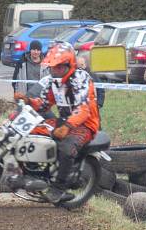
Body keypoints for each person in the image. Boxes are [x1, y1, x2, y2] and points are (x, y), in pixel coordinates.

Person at [14, 42, 100, 203]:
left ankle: (59, 188)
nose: (55, 70)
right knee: (29, 133)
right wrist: (28, 101)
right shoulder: (55, 82)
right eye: (53, 67)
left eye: (59, 67)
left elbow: (84, 109)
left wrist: (67, 126)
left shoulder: (81, 79)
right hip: (63, 121)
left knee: (66, 148)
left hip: (85, 124)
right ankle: (28, 172)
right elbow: (45, 103)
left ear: (69, 65)